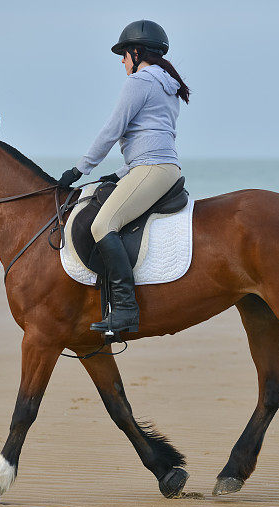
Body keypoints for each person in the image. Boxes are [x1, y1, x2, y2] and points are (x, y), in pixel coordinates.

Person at [59, 20, 190, 335]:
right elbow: (152, 137)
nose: (122, 61)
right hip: (157, 167)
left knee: (103, 225)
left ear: (137, 51)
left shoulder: (141, 81)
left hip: (151, 168)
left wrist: (80, 169)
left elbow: (111, 130)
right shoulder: (166, 84)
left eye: (123, 54)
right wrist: (118, 173)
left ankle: (126, 310)